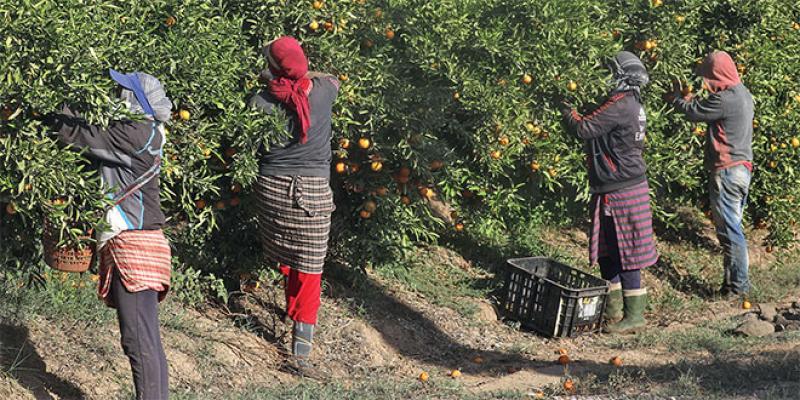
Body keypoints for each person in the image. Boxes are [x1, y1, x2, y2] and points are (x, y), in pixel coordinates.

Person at [48, 70, 172, 399]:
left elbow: (74, 134)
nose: (116, 98)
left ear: (136, 100)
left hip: (134, 243)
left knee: (137, 339)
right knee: (146, 338)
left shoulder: (134, 133)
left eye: (122, 92)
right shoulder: (150, 131)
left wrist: (51, 100)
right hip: (145, 240)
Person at [249, 36, 339, 378]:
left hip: (271, 188)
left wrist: (270, 81)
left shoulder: (259, 100)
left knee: (288, 258)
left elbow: (250, 145)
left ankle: (291, 311)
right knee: (310, 271)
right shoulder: (323, 92)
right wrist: (299, 73)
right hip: (312, 192)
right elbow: (332, 77)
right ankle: (300, 355)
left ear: (272, 68)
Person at [561, 51, 659, 334]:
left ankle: (634, 317)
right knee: (610, 249)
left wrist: (566, 108)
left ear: (621, 76)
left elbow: (584, 128)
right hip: (618, 186)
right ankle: (614, 312)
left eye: (610, 72)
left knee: (627, 251)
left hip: (622, 187)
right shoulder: (630, 104)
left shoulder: (621, 105)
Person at [667, 51, 754, 298]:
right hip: (742, 170)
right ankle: (732, 286)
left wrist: (676, 99)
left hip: (727, 171)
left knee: (730, 232)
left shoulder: (725, 99)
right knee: (734, 229)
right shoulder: (743, 94)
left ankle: (737, 288)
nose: (708, 83)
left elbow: (694, 112)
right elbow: (706, 106)